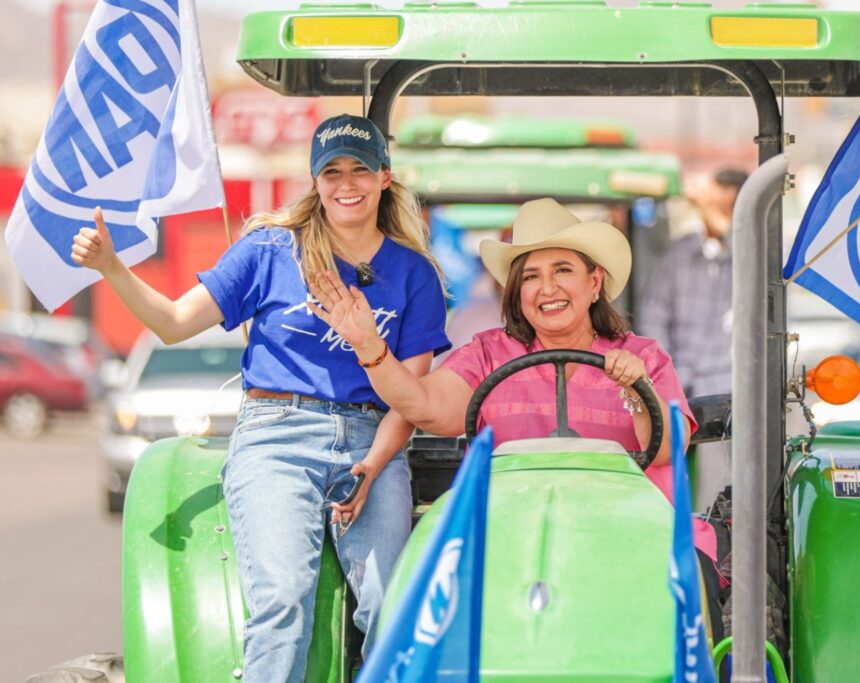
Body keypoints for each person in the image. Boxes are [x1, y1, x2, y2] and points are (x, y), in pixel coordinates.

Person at [70, 114, 450, 681]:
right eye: (332, 171)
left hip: (373, 442)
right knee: (282, 602)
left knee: (391, 605)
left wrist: (371, 467)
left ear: (384, 179)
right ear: (315, 181)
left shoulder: (415, 273)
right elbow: (174, 323)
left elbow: (411, 399)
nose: (347, 183)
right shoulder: (271, 250)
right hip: (278, 434)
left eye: (360, 170)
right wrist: (111, 267)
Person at [307, 197, 699, 498]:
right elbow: (422, 404)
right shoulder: (487, 355)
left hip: (616, 526)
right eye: (531, 276)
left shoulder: (644, 357)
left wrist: (634, 386)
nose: (547, 289)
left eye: (563, 270)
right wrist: (369, 345)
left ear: (595, 282)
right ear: (517, 292)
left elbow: (666, 451)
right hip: (508, 527)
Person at [640, 167, 748, 398]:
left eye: (728, 207)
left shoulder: (753, 253)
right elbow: (653, 317)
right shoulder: (679, 252)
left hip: (735, 386)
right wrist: (666, 374)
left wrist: (726, 227)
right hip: (682, 384)